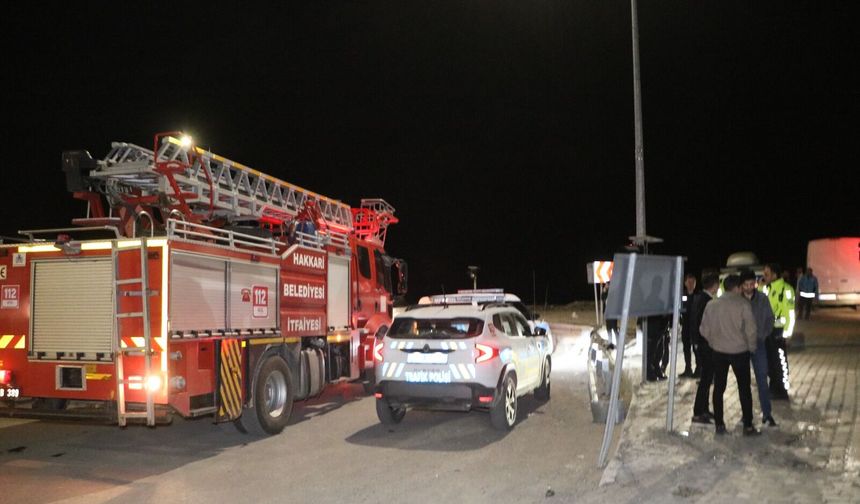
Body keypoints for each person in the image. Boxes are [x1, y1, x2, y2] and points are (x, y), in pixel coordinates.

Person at [699, 274, 760, 436]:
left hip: (718, 352)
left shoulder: (712, 305)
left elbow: (703, 330)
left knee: (718, 388)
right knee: (744, 389)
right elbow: (751, 330)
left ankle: (719, 425)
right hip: (740, 352)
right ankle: (748, 425)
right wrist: (751, 347)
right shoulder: (743, 304)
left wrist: (714, 342)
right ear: (738, 288)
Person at [740, 269, 777, 427]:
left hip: (759, 344)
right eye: (746, 285)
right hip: (741, 346)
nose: (749, 287)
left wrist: (763, 334)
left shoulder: (762, 298)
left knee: (762, 379)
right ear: (741, 285)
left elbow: (770, 318)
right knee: (744, 382)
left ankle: (767, 414)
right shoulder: (737, 300)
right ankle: (746, 415)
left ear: (755, 283)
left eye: (751, 284)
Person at [761, 263, 795, 400]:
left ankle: (782, 390)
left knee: (780, 362)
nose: (764, 277)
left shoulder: (786, 289)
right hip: (767, 331)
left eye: (767, 274)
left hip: (779, 331)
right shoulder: (766, 288)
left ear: (774, 275)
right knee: (770, 361)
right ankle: (773, 387)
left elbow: (790, 313)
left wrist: (787, 334)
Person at [691, 274, 719, 423]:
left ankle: (704, 409)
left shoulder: (700, 298)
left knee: (706, 378)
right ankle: (698, 412)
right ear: (714, 285)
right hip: (706, 345)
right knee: (706, 379)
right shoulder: (707, 301)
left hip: (701, 344)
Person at [679, 273, 698, 378]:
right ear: (685, 283)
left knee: (696, 349)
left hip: (695, 326)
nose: (691, 284)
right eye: (689, 282)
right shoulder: (682, 295)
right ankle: (688, 369)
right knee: (686, 348)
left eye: (693, 282)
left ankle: (699, 369)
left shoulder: (698, 296)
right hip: (686, 326)